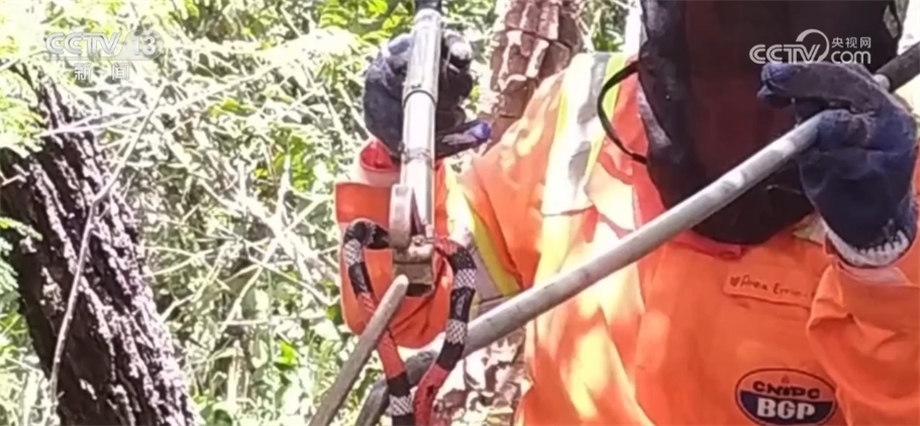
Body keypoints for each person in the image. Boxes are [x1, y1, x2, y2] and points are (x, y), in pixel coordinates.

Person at [335, 0, 920, 424]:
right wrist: (397, 160)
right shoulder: (580, 116)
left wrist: (880, 261)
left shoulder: (890, 172)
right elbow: (409, 309)